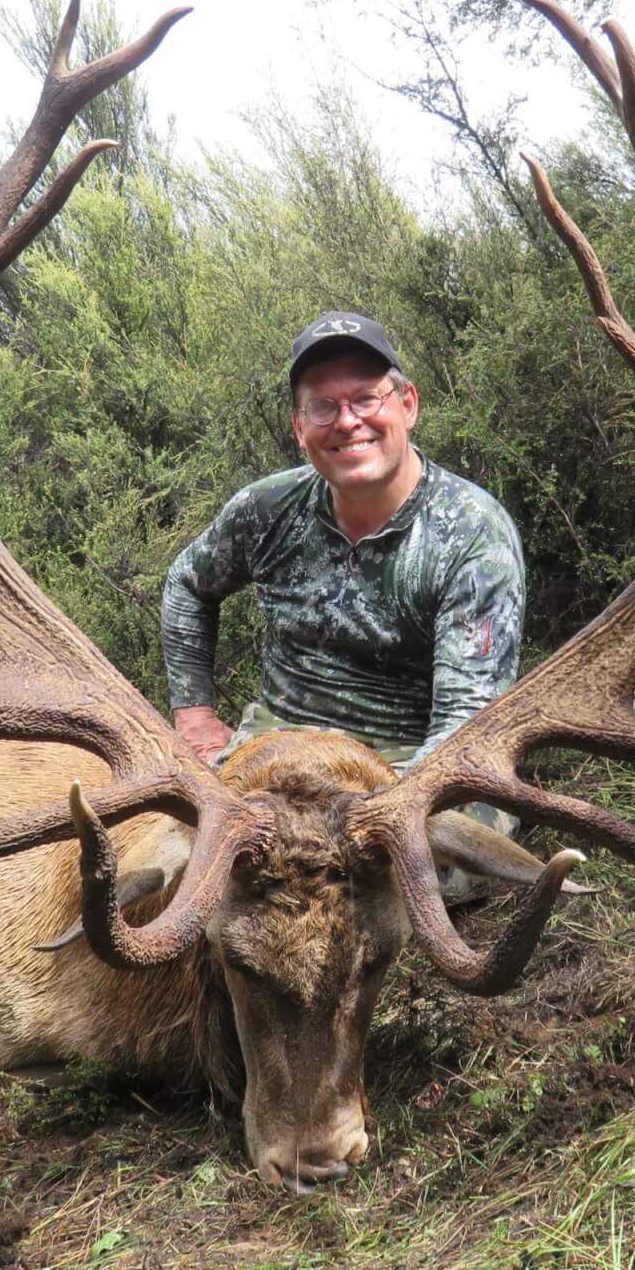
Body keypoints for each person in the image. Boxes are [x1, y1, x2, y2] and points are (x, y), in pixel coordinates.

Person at [160, 312, 526, 860]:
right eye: (323, 407)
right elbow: (187, 586)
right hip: (272, 752)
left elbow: (462, 731)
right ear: (299, 426)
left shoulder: (473, 534)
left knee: (398, 866)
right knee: (164, 847)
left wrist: (380, 818)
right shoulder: (266, 509)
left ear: (408, 405)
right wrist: (194, 717)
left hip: (409, 762)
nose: (347, 421)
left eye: (366, 399)